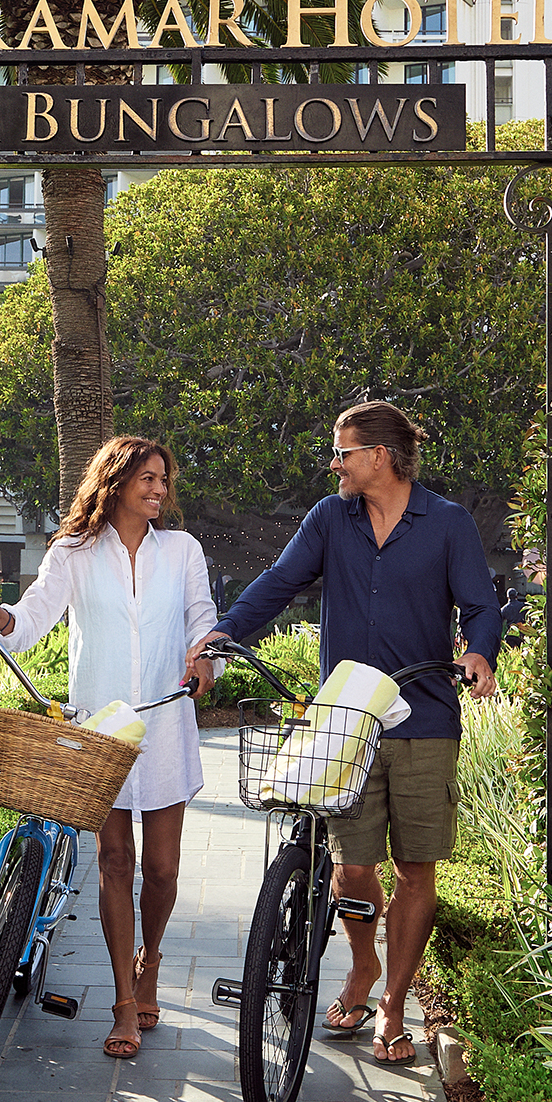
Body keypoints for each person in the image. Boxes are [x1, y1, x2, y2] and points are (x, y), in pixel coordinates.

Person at [190, 401, 498, 1068]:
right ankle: (363, 965)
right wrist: (225, 631)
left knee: (415, 868)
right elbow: (280, 581)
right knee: (352, 867)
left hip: (424, 719)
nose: (335, 464)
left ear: (381, 456)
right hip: (346, 722)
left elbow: (480, 605)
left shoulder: (447, 523)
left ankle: (393, 1004)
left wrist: (479, 651)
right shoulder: (331, 518)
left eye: (344, 452)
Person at [0, 435, 220, 1063]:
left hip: (166, 723)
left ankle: (151, 959)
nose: (159, 490)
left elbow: (201, 617)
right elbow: (31, 619)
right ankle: (124, 1000)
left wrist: (205, 657)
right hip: (100, 728)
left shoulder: (182, 550)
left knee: (162, 869)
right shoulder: (72, 552)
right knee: (114, 862)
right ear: (115, 482)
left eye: (163, 480)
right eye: (147, 479)